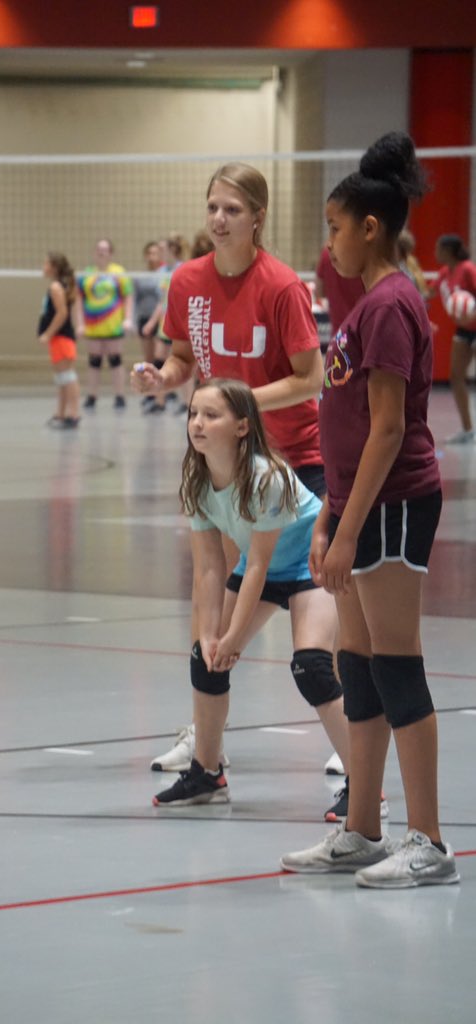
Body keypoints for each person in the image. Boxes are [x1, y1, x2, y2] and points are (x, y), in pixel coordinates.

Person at [133, 162, 349, 789]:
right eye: (212, 208)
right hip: (224, 465)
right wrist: (162, 379)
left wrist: (240, 403)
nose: (220, 219)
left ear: (257, 217)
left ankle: (348, 730)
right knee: (223, 603)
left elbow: (310, 378)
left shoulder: (281, 286)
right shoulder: (188, 282)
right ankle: (207, 741)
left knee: (303, 604)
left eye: (232, 209)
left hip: (292, 460)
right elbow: (182, 360)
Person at [280, 131, 459, 889]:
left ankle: (430, 842)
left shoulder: (391, 305)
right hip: (356, 505)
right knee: (355, 667)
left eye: (333, 226)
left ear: (370, 228)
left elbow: (389, 428)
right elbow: (348, 420)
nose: (329, 242)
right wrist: (327, 516)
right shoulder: (367, 304)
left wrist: (348, 529)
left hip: (393, 506)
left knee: (396, 666)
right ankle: (362, 829)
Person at [152, 379, 353, 819]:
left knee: (312, 667)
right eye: (193, 414)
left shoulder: (266, 477)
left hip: (308, 567)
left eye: (211, 415)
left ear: (243, 426)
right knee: (203, 658)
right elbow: (208, 568)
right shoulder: (197, 479)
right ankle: (208, 773)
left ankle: (364, 784)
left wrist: (235, 639)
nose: (198, 424)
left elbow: (259, 566)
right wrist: (210, 637)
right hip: (261, 569)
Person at [75, 238, 133, 411]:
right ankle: (92, 396)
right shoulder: (87, 274)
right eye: (99, 249)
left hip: (113, 325)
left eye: (105, 249)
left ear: (111, 253)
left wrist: (127, 318)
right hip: (93, 326)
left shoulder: (118, 272)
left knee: (115, 360)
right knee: (94, 362)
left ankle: (120, 396)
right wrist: (79, 324)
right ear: (94, 253)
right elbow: (79, 300)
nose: (101, 252)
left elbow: (128, 296)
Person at [433, 234, 476, 444]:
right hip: (463, 329)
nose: (435, 253)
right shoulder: (444, 272)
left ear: (449, 251)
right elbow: (428, 292)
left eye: (439, 248)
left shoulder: (467, 268)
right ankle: (468, 429)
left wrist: (472, 315)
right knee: (456, 376)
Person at [141, 232, 190, 415]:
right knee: (159, 362)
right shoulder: (161, 273)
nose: (159, 252)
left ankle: (188, 403)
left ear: (173, 250)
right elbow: (162, 302)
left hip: (181, 325)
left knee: (183, 364)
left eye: (162, 249)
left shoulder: (183, 269)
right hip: (164, 324)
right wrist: (152, 322)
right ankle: (159, 401)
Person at [39, 251, 80, 429]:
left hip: (61, 337)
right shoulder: (59, 285)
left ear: (54, 268)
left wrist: (48, 333)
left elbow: (62, 313)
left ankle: (74, 414)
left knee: (67, 376)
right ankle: (61, 414)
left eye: (46, 264)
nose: (43, 267)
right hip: (60, 338)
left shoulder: (56, 287)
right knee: (61, 378)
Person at [315, 245, 365, 337]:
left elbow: (319, 291)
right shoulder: (363, 253)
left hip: (338, 335)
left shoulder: (327, 253)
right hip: (361, 333)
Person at [134, 240, 163, 367]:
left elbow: (163, 299)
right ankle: (150, 385)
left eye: (155, 253)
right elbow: (136, 299)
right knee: (148, 358)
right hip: (144, 317)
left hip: (160, 319)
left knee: (160, 357)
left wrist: (153, 321)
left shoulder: (165, 273)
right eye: (149, 253)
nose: (152, 256)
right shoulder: (141, 276)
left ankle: (164, 385)